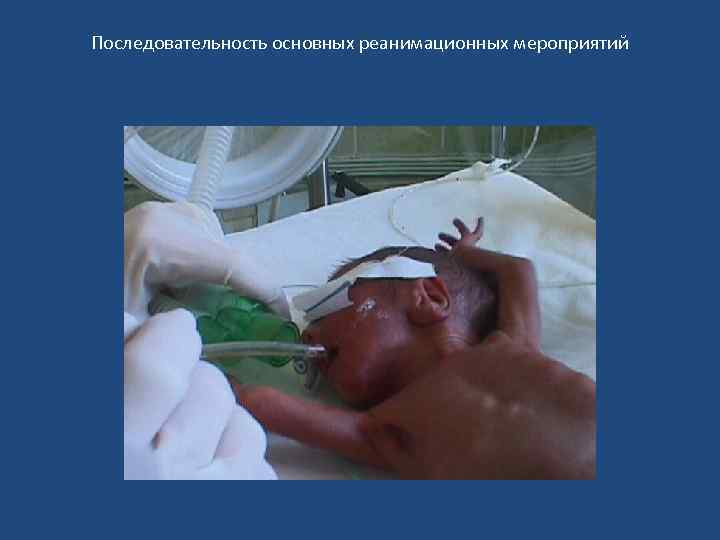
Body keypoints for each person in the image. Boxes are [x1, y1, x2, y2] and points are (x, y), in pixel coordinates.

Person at [125, 201, 596, 479]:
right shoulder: (386, 428)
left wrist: (464, 254)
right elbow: (263, 403)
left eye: (328, 305)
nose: (308, 331)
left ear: (428, 297)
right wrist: (216, 380)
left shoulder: (512, 347)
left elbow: (519, 271)